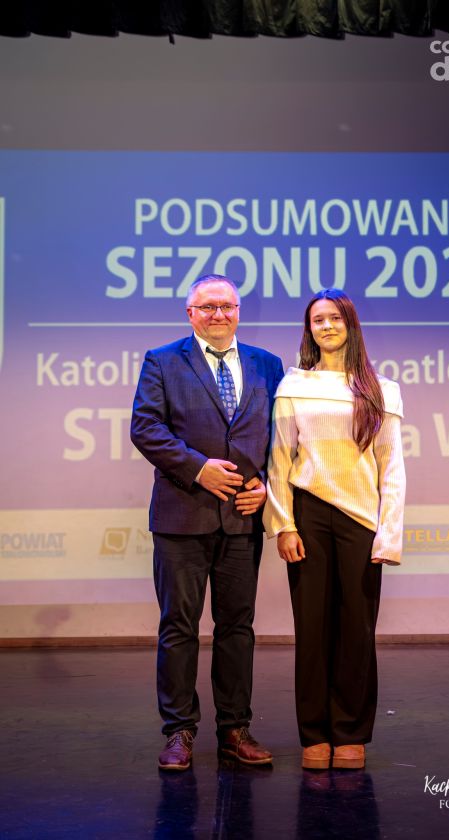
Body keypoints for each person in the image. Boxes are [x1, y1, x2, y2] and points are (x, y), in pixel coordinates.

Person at [131, 274, 284, 771]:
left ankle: (234, 729)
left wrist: (266, 483)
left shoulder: (267, 364)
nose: (219, 314)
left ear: (238, 311)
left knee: (237, 627)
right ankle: (178, 730)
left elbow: (279, 437)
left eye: (227, 306)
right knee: (179, 626)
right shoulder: (162, 360)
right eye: (208, 306)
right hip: (182, 516)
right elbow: (145, 427)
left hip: (242, 518)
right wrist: (199, 468)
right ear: (190, 313)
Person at [263, 289, 405, 771]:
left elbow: (392, 467)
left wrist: (389, 534)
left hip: (361, 519)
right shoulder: (293, 385)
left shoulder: (381, 389)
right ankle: (315, 734)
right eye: (317, 320)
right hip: (308, 515)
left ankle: (350, 733)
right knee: (312, 629)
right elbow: (279, 460)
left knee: (356, 630)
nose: (326, 326)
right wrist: (283, 525)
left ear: (350, 324)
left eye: (334, 318)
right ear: (309, 330)